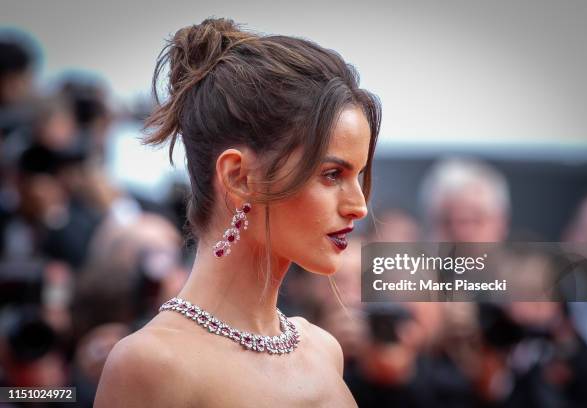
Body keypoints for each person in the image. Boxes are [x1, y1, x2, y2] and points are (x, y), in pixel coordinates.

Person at [94, 17, 380, 407]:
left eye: (357, 175)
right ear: (239, 177)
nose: (359, 206)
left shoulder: (324, 349)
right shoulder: (152, 365)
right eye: (332, 175)